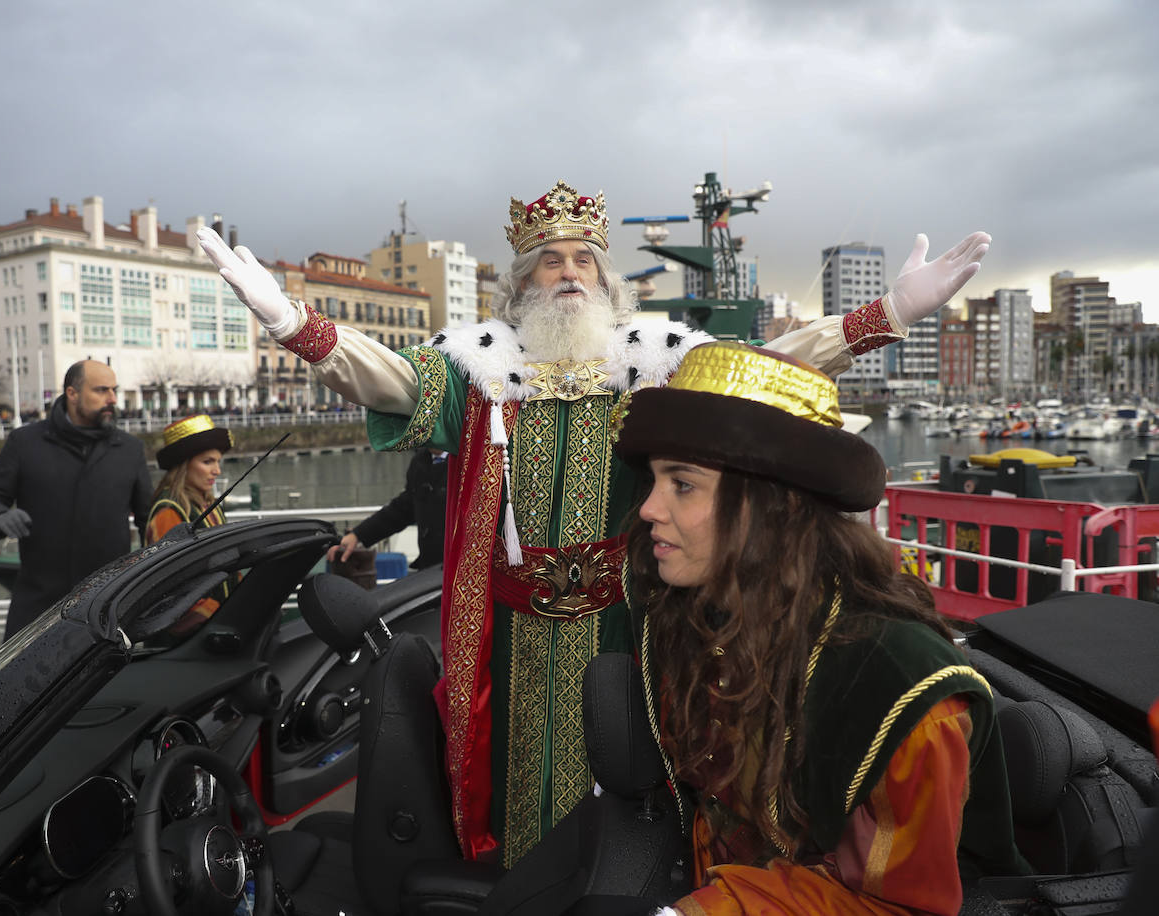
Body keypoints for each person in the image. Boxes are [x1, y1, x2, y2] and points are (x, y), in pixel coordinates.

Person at [197, 180, 991, 866]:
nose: (569, 272)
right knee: (513, 783)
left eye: (583, 258)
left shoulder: (652, 364)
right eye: (550, 260)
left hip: (629, 623)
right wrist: (289, 320)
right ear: (522, 284)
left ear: (607, 279)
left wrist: (887, 313)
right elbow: (389, 378)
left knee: (633, 779)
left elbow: (766, 368)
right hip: (511, 635)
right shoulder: (481, 371)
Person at [612, 342, 1027, 915]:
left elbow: (896, 905)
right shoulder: (692, 617)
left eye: (682, 484)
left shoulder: (896, 686)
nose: (649, 509)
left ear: (775, 506)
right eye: (654, 482)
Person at [0, 359, 152, 640]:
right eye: (101, 390)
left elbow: (148, 519)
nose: (113, 399)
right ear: (72, 393)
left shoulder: (130, 449)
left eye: (114, 390)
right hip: (37, 607)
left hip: (107, 608)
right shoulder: (25, 442)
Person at [145, 414, 234, 632]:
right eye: (207, 462)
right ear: (184, 466)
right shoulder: (169, 511)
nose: (217, 471)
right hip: (194, 636)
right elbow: (170, 588)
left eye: (218, 462)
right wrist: (219, 614)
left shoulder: (209, 505)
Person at [326, 447, 448, 570]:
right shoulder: (420, 460)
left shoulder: (460, 462)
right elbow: (402, 510)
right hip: (430, 568)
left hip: (454, 567)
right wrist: (358, 535)